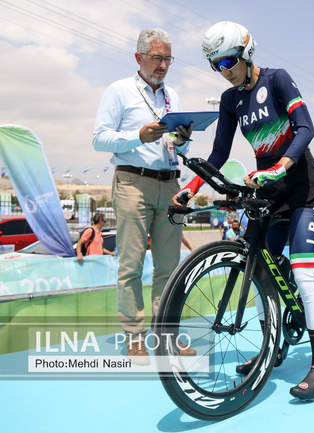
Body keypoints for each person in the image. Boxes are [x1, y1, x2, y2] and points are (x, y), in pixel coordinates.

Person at [173, 21, 314, 400]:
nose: (223, 71)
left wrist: (281, 166)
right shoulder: (230, 100)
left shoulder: (278, 80)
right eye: (216, 65)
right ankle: (270, 348)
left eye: (228, 61)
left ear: (246, 52)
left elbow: (305, 128)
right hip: (269, 195)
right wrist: (189, 189)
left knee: (304, 275)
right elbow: (218, 154)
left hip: (303, 190)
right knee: (260, 272)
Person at [92, 28, 196, 364]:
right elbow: (99, 138)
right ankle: (134, 336)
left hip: (170, 183)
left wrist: (182, 141)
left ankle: (167, 335)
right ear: (138, 57)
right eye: (157, 58)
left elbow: (180, 147)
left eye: (168, 59)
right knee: (131, 265)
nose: (163, 65)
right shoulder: (119, 90)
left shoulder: (173, 96)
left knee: (169, 267)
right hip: (133, 182)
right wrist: (138, 135)